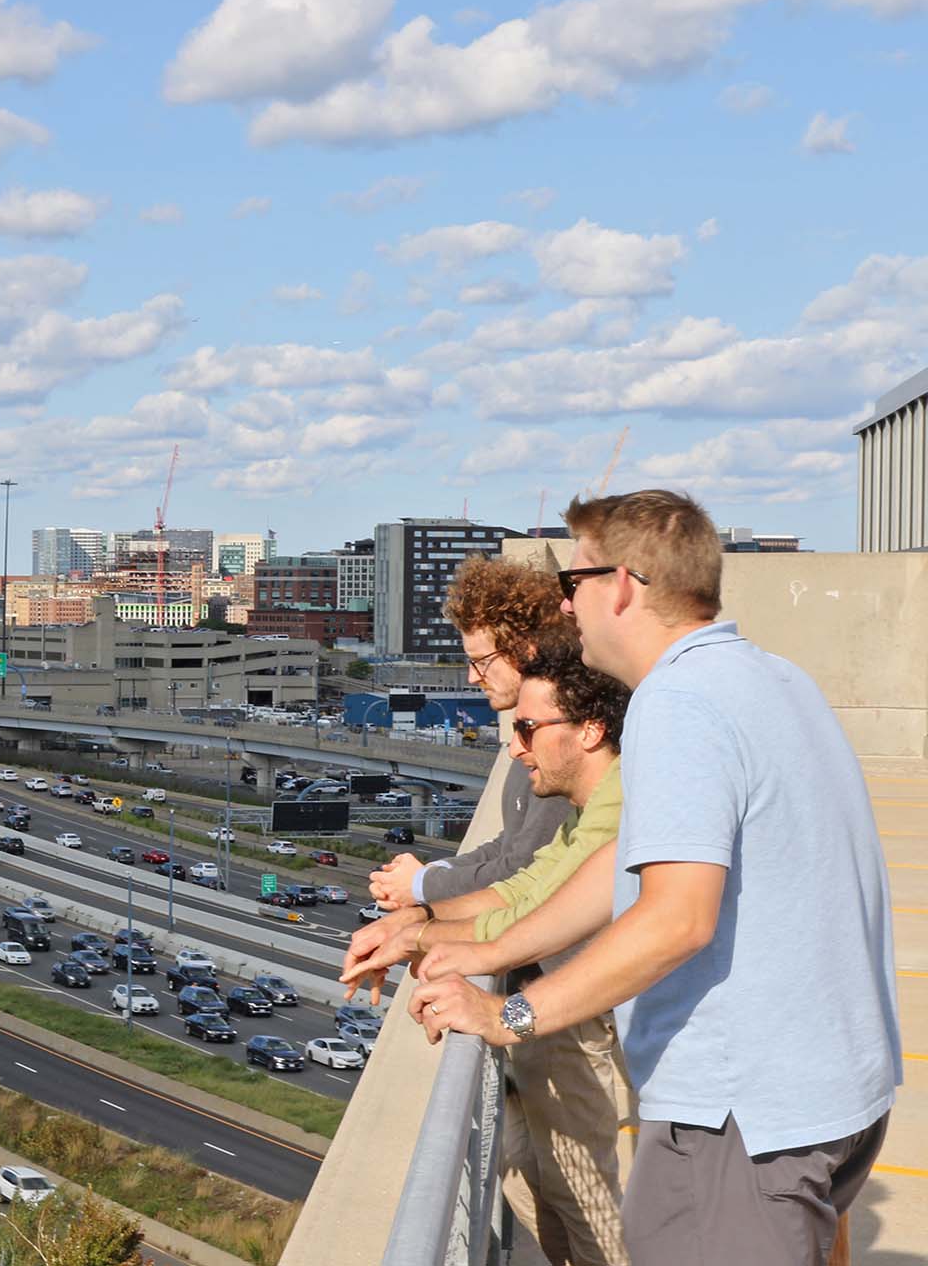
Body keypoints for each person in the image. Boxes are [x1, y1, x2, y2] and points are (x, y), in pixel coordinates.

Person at [413, 489, 900, 1266]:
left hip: (740, 1119)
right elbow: (623, 866)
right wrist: (479, 950)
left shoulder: (679, 702)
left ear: (623, 585)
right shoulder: (776, 680)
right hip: (834, 1096)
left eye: (574, 584)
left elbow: (678, 917)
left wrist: (512, 1015)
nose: (564, 609)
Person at [345, 643, 634, 1265]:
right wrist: (414, 923)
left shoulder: (621, 819)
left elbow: (536, 914)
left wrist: (421, 939)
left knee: (596, 1214)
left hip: (719, 1099)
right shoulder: (590, 812)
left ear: (590, 730)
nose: (514, 747)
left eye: (528, 729)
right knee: (558, 1193)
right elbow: (520, 890)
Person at [355, 555, 578, 998]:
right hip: (544, 985)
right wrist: (424, 882)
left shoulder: (562, 744)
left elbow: (523, 870)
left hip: (561, 992)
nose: (471, 677)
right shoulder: (535, 735)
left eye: (480, 661)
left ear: (524, 649)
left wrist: (420, 889)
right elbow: (514, 852)